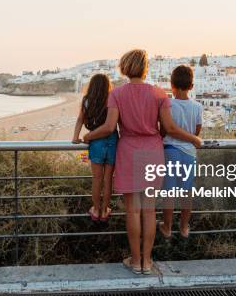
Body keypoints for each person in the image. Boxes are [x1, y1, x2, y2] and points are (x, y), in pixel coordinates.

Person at [83, 49, 201, 275]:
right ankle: (148, 262)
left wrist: (87, 137)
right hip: (152, 152)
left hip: (128, 151)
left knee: (133, 211)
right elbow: (170, 128)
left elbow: (109, 127)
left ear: (125, 68)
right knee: (149, 211)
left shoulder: (116, 94)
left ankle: (135, 261)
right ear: (146, 68)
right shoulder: (159, 94)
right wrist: (194, 138)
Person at [158, 65, 202, 240]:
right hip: (189, 153)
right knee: (187, 192)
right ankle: (184, 227)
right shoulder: (197, 106)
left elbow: (163, 130)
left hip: (169, 150)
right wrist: (189, 138)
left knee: (169, 191)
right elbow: (197, 131)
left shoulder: (167, 104)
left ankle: (167, 227)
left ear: (171, 85)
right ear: (191, 86)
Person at [72, 73, 117, 222]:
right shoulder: (111, 99)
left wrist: (75, 137)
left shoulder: (86, 101)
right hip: (112, 140)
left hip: (96, 140)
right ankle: (105, 210)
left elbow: (80, 119)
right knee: (108, 178)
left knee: (97, 178)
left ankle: (96, 210)